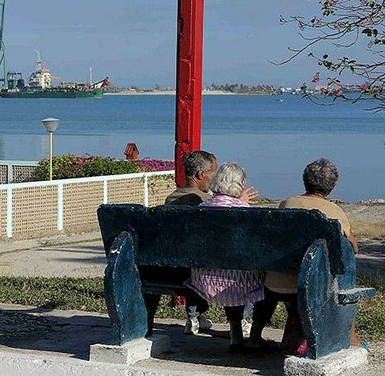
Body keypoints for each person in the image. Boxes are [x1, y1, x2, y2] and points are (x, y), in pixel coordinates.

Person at [248, 158, 364, 353]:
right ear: (331, 187)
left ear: (305, 180)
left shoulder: (287, 203)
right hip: (312, 286)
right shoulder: (335, 211)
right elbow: (353, 248)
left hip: (275, 281)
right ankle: (348, 340)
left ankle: (255, 334)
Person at [144, 151, 258, 337]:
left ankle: (194, 318)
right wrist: (238, 201)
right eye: (213, 171)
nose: (215, 176)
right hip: (203, 268)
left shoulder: (171, 199)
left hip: (171, 265)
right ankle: (242, 322)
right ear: (200, 174)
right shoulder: (202, 202)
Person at [186, 162, 264, 353]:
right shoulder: (245, 211)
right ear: (239, 185)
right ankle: (249, 334)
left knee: (229, 268)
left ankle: (236, 335)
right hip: (236, 280)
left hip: (203, 278)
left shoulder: (201, 209)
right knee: (242, 273)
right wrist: (243, 203)